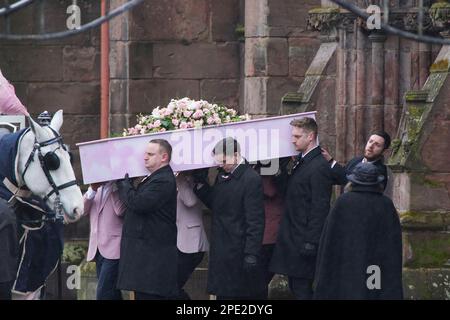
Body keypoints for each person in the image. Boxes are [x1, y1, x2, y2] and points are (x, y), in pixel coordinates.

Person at [314, 162, 403, 299]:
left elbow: (329, 244)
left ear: (353, 182)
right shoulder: (385, 205)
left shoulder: (343, 203)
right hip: (375, 271)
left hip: (346, 269)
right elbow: (393, 247)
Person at [193, 137, 265, 300]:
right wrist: (200, 185)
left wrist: (251, 253)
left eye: (224, 161)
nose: (220, 165)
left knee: (237, 294)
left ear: (236, 154)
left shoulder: (250, 178)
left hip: (238, 247)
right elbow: (217, 203)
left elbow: (255, 219)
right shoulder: (223, 175)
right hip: (223, 244)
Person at [269, 117, 333, 300]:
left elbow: (319, 207)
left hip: (303, 237)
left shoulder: (318, 166)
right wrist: (278, 170)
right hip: (294, 235)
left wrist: (311, 241)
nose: (292, 140)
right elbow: (290, 191)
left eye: (297, 136)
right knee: (296, 286)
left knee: (302, 288)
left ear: (311, 136)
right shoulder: (302, 161)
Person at [116, 139, 178, 300]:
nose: (145, 157)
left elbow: (138, 203)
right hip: (146, 260)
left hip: (152, 261)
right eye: (145, 153)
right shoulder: (153, 178)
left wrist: (124, 184)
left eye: (150, 154)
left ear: (164, 157)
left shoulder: (163, 179)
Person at [83, 181, 126, 300]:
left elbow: (120, 210)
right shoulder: (96, 187)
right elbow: (84, 210)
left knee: (103, 293)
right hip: (97, 248)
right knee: (112, 292)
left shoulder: (120, 185)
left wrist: (114, 188)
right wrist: (92, 190)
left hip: (114, 249)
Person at [252, 158, 288, 299]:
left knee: (259, 283)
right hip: (260, 233)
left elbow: (270, 190)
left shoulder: (275, 172)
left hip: (269, 234)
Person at [175, 171, 209, 300]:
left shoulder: (193, 180)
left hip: (192, 243)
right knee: (170, 286)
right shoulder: (175, 181)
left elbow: (190, 201)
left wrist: (180, 178)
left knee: (173, 286)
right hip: (176, 241)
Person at [321, 131, 391, 190]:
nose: (371, 146)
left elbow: (351, 183)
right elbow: (339, 177)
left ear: (384, 151)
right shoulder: (356, 160)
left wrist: (331, 161)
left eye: (377, 145)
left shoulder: (380, 171)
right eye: (370, 141)